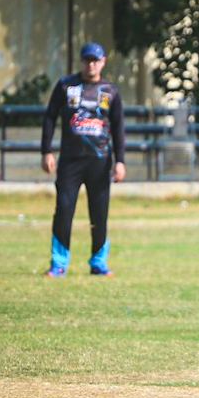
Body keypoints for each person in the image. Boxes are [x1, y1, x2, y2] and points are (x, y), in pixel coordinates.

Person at [41, 42, 125, 277]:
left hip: (100, 161)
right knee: (64, 209)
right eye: (87, 60)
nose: (91, 64)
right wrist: (46, 151)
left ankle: (98, 262)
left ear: (103, 62)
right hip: (70, 160)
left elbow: (118, 126)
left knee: (99, 213)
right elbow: (50, 117)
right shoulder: (66, 86)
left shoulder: (110, 90)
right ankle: (59, 263)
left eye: (95, 60)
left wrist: (120, 161)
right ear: (81, 61)